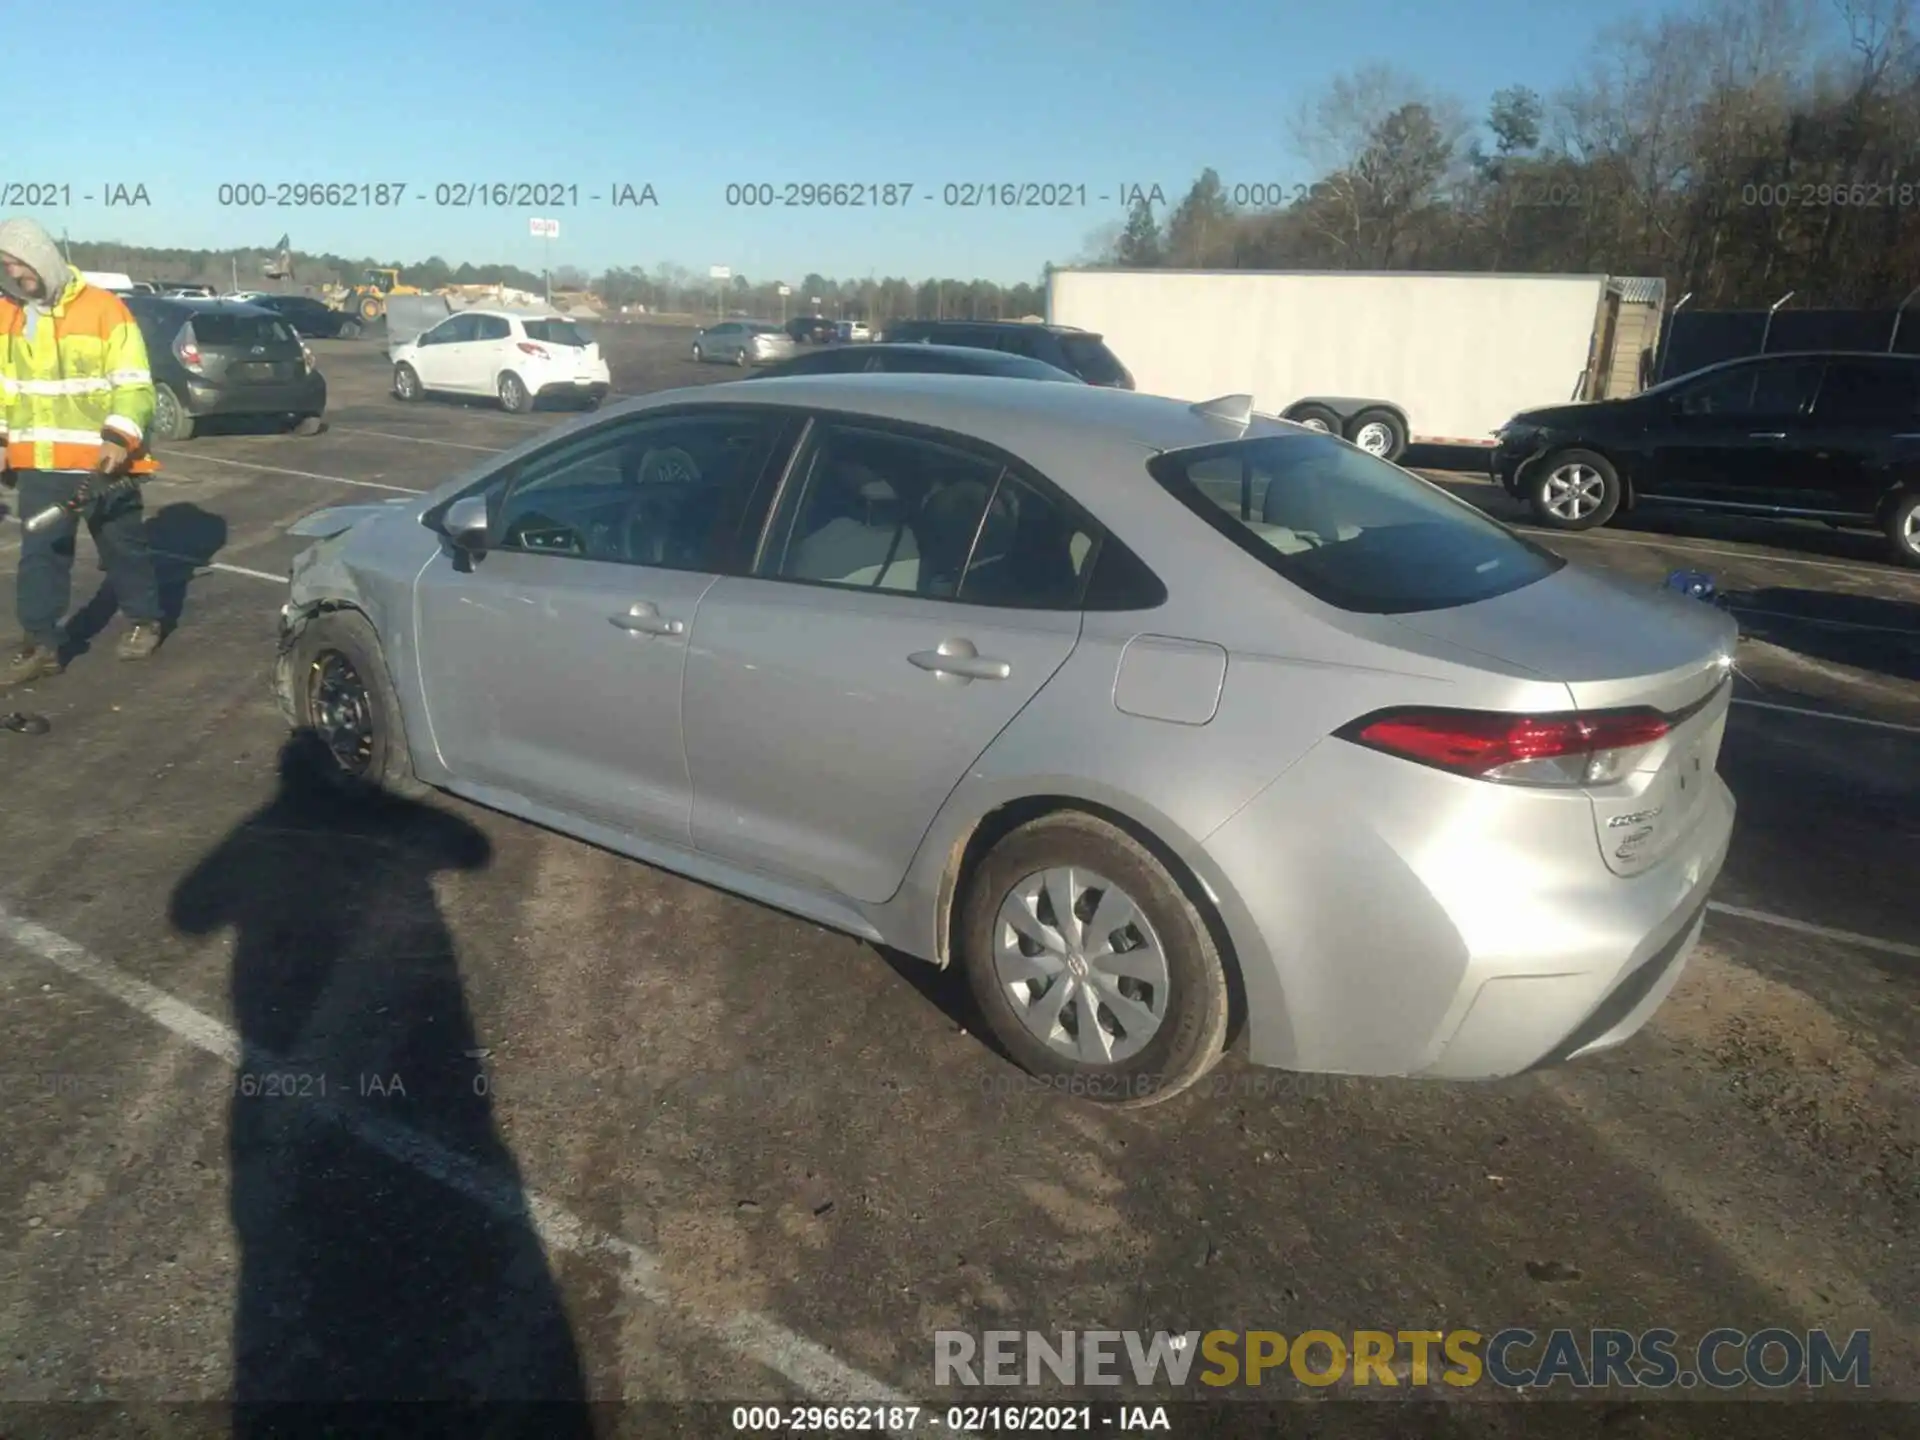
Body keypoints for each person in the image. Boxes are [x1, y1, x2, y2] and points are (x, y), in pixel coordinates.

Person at [0, 216, 164, 688]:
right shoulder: (10, 316)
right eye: (6, 266)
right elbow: (7, 390)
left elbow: (134, 384)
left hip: (102, 464)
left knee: (122, 548)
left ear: (40, 257)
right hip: (40, 464)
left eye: (18, 263)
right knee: (40, 555)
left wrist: (118, 436)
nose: (13, 274)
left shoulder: (104, 310)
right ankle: (41, 645)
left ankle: (144, 620)